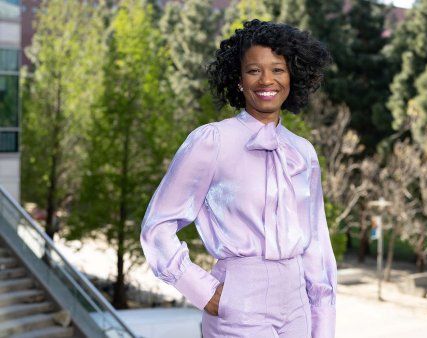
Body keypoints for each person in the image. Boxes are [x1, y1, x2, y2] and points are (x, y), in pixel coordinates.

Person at [140, 19, 336, 338]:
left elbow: (316, 244)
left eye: (278, 69)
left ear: (293, 77)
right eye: (254, 70)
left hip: (298, 304)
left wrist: (323, 322)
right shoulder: (211, 141)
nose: (266, 80)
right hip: (239, 303)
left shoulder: (304, 153)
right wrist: (202, 291)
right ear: (239, 79)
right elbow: (156, 228)